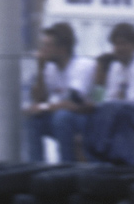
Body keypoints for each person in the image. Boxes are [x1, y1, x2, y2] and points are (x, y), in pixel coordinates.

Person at [25, 22, 96, 163]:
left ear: (62, 49)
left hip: (86, 118)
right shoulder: (50, 68)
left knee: (62, 117)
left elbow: (72, 102)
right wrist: (40, 69)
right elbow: (39, 99)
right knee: (33, 119)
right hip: (64, 116)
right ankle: (36, 165)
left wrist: (43, 107)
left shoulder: (83, 65)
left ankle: (66, 164)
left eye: (47, 46)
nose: (43, 50)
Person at [92, 23, 134, 102]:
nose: (120, 48)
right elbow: (110, 97)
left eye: (123, 44)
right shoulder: (114, 67)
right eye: (116, 44)